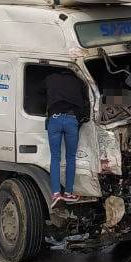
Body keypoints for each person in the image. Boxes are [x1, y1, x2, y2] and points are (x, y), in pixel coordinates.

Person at [43, 69, 89, 204]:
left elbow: (39, 92)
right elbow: (85, 102)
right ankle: (68, 193)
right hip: (71, 120)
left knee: (55, 157)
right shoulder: (79, 82)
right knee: (70, 157)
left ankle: (56, 194)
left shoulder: (50, 78)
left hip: (54, 120)